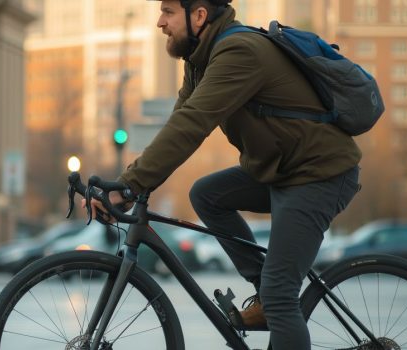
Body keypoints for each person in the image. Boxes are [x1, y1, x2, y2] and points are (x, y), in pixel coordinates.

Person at [91, 1, 362, 349]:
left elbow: (193, 126)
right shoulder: (200, 61)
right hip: (283, 170)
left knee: (282, 296)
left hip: (318, 174)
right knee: (207, 194)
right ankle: (265, 292)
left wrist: (129, 187)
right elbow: (178, 124)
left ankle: (272, 298)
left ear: (199, 15)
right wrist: (131, 180)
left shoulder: (238, 52)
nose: (160, 22)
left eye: (169, 11)